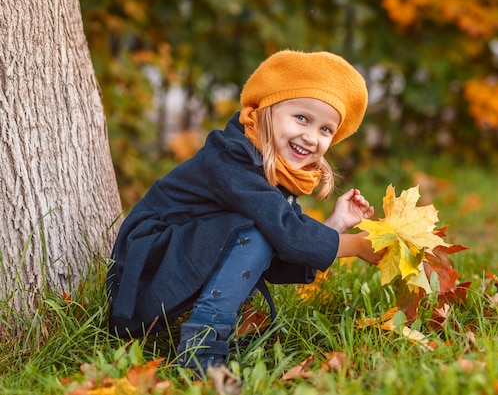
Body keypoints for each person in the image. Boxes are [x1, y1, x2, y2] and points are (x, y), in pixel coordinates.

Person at [106, 49, 383, 376]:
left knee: (265, 228)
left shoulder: (271, 167)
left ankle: (215, 329)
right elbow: (283, 231)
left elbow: (283, 241)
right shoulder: (232, 157)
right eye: (302, 118)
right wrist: (358, 246)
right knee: (259, 228)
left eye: (325, 129)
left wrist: (335, 225)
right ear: (266, 111)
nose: (311, 137)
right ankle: (202, 348)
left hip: (178, 252)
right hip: (146, 264)